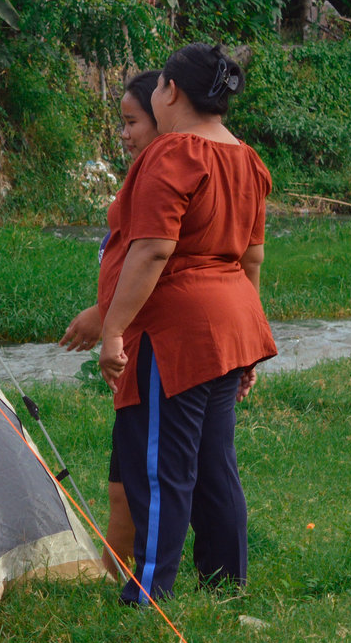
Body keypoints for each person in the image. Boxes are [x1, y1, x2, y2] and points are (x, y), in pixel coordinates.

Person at [98, 43, 277, 603]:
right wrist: (244, 343)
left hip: (175, 331)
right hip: (230, 322)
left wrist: (113, 330)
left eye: (155, 89)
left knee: (161, 467)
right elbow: (251, 260)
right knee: (214, 463)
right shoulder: (247, 159)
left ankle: (149, 592)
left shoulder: (173, 154)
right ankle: (227, 582)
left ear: (171, 91)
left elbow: (151, 251)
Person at [59, 69, 161, 580]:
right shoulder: (142, 175)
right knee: (122, 476)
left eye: (132, 122)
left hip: (147, 346)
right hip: (127, 342)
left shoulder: (164, 179)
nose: (124, 134)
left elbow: (156, 262)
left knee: (142, 474)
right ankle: (112, 569)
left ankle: (146, 577)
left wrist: (107, 319)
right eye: (121, 123)